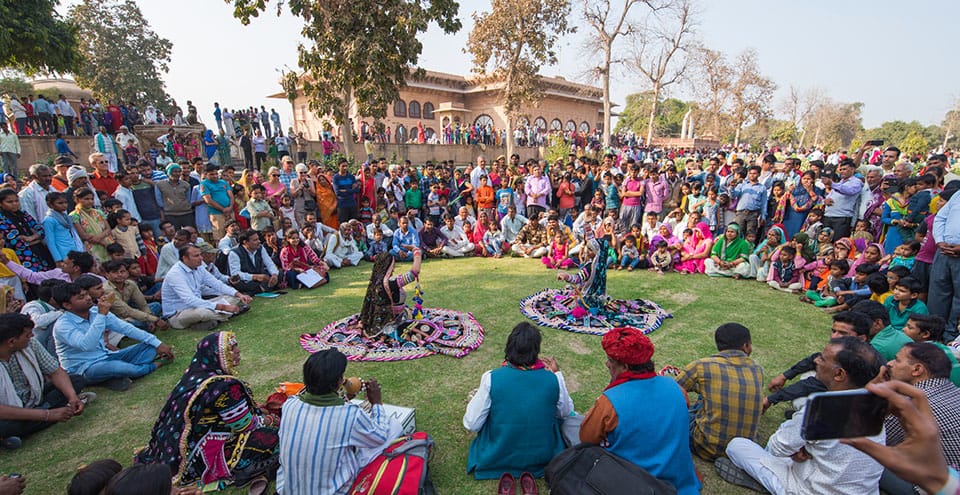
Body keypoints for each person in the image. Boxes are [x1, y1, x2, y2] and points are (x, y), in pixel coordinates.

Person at [722, 337, 884, 495]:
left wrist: (801, 447)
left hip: (812, 489)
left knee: (737, 445)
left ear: (839, 374)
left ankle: (766, 483)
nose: (816, 361)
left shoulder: (822, 408)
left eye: (822, 359)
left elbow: (776, 448)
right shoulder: (876, 406)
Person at [135, 332, 279, 492]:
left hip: (179, 449)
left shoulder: (194, 376)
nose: (237, 351)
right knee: (278, 437)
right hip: (202, 456)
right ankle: (242, 469)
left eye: (236, 346)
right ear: (217, 355)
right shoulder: (224, 386)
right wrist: (271, 420)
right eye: (231, 349)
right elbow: (245, 425)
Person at [580, 326, 700, 494]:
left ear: (625, 367)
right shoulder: (676, 387)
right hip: (679, 482)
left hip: (634, 484)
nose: (607, 364)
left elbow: (586, 438)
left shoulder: (610, 402)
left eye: (611, 361)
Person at [276, 349, 399, 495]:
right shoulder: (350, 415)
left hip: (288, 490)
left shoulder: (290, 405)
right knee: (393, 426)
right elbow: (379, 437)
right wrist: (377, 403)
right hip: (333, 491)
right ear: (338, 381)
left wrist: (344, 398)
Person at [464, 322, 573, 479]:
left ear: (509, 348)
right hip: (543, 455)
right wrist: (557, 375)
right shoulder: (553, 379)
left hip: (497, 455)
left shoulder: (491, 378)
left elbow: (472, 423)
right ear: (536, 351)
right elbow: (566, 413)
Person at [521, 238, 671, 335]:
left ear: (597, 252)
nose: (587, 251)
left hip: (586, 301)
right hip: (600, 300)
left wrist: (565, 276)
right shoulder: (600, 265)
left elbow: (577, 279)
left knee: (560, 304)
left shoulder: (590, 266)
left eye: (590, 250)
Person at [52, 283, 174, 391]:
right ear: (67, 305)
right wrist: (101, 315)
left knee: (151, 346)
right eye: (81, 297)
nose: (88, 298)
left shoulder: (95, 311)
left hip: (107, 356)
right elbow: (87, 345)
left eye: (86, 294)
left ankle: (114, 376)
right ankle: (151, 366)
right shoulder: (63, 325)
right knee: (119, 367)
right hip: (84, 367)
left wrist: (158, 343)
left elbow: (126, 328)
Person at [0, 313, 92, 448]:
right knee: (4, 426)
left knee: (76, 381)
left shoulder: (30, 344)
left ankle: (31, 422)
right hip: (8, 413)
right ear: (12, 342)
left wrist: (72, 397)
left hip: (34, 397)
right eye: (27, 335)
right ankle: (47, 414)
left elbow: (55, 371)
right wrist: (47, 414)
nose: (32, 336)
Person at [880, 342, 960, 495]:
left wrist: (877, 385)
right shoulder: (955, 391)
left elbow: (878, 437)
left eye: (897, 360)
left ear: (917, 370)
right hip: (953, 480)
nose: (890, 364)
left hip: (933, 487)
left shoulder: (909, 405)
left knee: (865, 455)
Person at [676, 323, 764, 460]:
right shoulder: (757, 369)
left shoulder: (701, 365)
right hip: (745, 451)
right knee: (707, 396)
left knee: (685, 414)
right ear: (745, 346)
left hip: (706, 447)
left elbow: (674, 390)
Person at [162, 244, 251, 331]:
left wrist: (239, 294)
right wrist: (222, 307)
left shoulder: (198, 267)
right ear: (185, 258)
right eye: (196, 256)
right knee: (203, 313)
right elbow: (189, 299)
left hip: (199, 305)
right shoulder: (175, 274)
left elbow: (217, 284)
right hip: (179, 313)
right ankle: (228, 314)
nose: (201, 258)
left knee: (233, 297)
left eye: (200, 254)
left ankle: (215, 318)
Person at [227, 229, 281, 295]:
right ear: (245, 242)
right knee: (238, 283)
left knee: (279, 274)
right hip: (247, 280)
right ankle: (262, 288)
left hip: (260, 278)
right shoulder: (234, 253)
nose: (259, 241)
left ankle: (259, 289)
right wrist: (254, 277)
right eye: (255, 240)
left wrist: (274, 275)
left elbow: (269, 264)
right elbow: (235, 274)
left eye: (258, 239)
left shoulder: (260, 248)